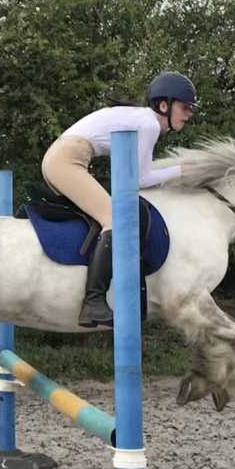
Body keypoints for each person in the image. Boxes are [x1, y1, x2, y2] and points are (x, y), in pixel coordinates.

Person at [41, 70, 196, 328]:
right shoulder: (149, 124)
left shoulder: (141, 119)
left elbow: (135, 175)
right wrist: (180, 171)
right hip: (67, 160)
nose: (189, 113)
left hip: (63, 157)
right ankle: (93, 302)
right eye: (185, 107)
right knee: (116, 221)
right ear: (164, 105)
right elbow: (140, 180)